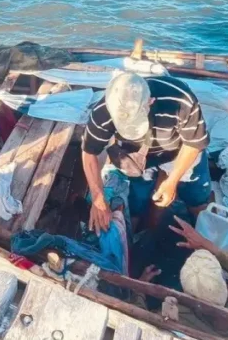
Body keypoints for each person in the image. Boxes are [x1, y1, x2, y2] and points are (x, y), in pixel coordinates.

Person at [81, 72, 210, 233]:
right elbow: (89, 153)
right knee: (138, 199)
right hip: (137, 154)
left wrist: (172, 180)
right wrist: (98, 197)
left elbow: (193, 144)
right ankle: (137, 231)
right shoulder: (103, 112)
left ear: (150, 101)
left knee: (196, 196)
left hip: (179, 149)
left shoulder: (181, 100)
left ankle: (201, 233)